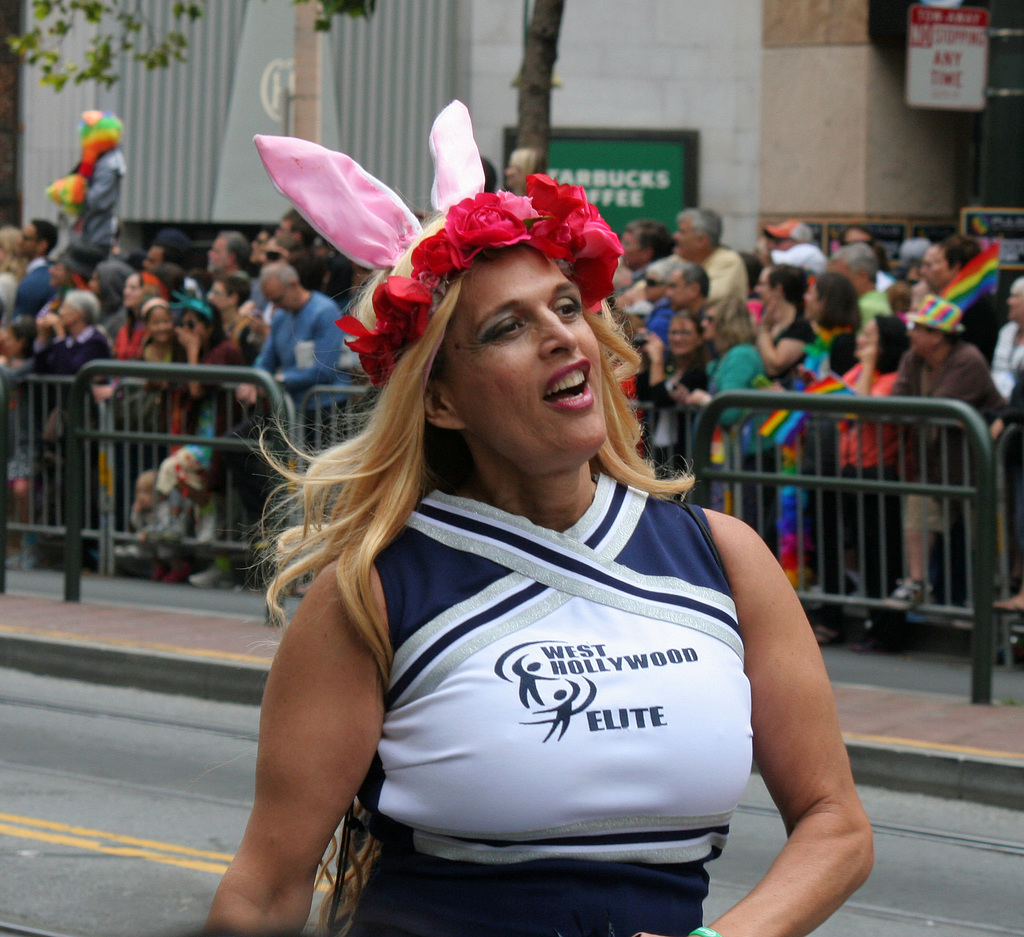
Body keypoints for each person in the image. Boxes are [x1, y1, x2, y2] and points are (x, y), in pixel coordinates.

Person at [206, 107, 872, 937]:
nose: (562, 335)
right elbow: (265, 890)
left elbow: (836, 821)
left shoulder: (723, 559)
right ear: (441, 398)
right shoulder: (372, 596)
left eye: (565, 305)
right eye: (508, 326)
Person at [885, 296, 1005, 611]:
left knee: (978, 536)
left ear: (938, 335)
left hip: (972, 466)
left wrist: (911, 411)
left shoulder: (968, 359)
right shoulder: (913, 358)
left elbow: (939, 405)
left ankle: (982, 598)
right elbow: (899, 402)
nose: (910, 333)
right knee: (917, 514)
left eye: (918, 327)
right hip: (929, 462)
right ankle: (916, 583)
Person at [814, 316, 910, 648]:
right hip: (850, 468)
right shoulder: (859, 371)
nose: (859, 342)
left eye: (868, 338)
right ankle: (869, 624)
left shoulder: (894, 378)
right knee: (857, 547)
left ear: (885, 345)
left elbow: (861, 405)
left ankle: (887, 631)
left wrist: (868, 364)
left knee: (880, 554)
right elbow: (839, 395)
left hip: (878, 472)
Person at [636, 310, 709, 471]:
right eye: (674, 332)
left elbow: (661, 400)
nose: (678, 338)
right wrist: (644, 361)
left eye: (685, 333)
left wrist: (657, 360)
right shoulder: (670, 367)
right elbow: (645, 396)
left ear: (699, 338)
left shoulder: (700, 374)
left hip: (683, 455)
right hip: (657, 451)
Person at [672, 208, 748, 305]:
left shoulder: (729, 260)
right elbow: (648, 286)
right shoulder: (680, 258)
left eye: (682, 232)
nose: (675, 236)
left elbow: (706, 297)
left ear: (701, 240)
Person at [754, 264, 813, 384]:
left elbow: (775, 366)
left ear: (778, 290)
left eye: (763, 284)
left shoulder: (800, 326)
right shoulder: (772, 321)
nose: (757, 289)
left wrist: (764, 330)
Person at [802, 271, 860, 379]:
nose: (805, 297)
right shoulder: (819, 335)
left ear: (824, 302)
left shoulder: (845, 345)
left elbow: (839, 389)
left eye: (810, 293)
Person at [13, 219, 58, 320]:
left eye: (25, 238)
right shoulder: (47, 273)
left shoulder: (34, 281)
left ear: (42, 245)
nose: (19, 241)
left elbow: (20, 324)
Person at [991, 275, 1024, 400]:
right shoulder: (1007, 331)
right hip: (999, 401)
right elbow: (998, 371)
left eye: (1015, 296)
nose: (1009, 301)